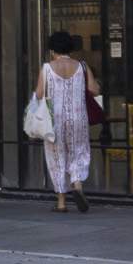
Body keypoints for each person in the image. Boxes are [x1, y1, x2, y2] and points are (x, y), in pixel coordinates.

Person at [32, 31, 94, 212]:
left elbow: (39, 93)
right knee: (78, 152)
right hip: (78, 118)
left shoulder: (47, 68)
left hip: (55, 120)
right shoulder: (82, 66)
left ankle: (61, 203)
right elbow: (94, 89)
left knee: (56, 157)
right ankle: (77, 185)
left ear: (52, 50)